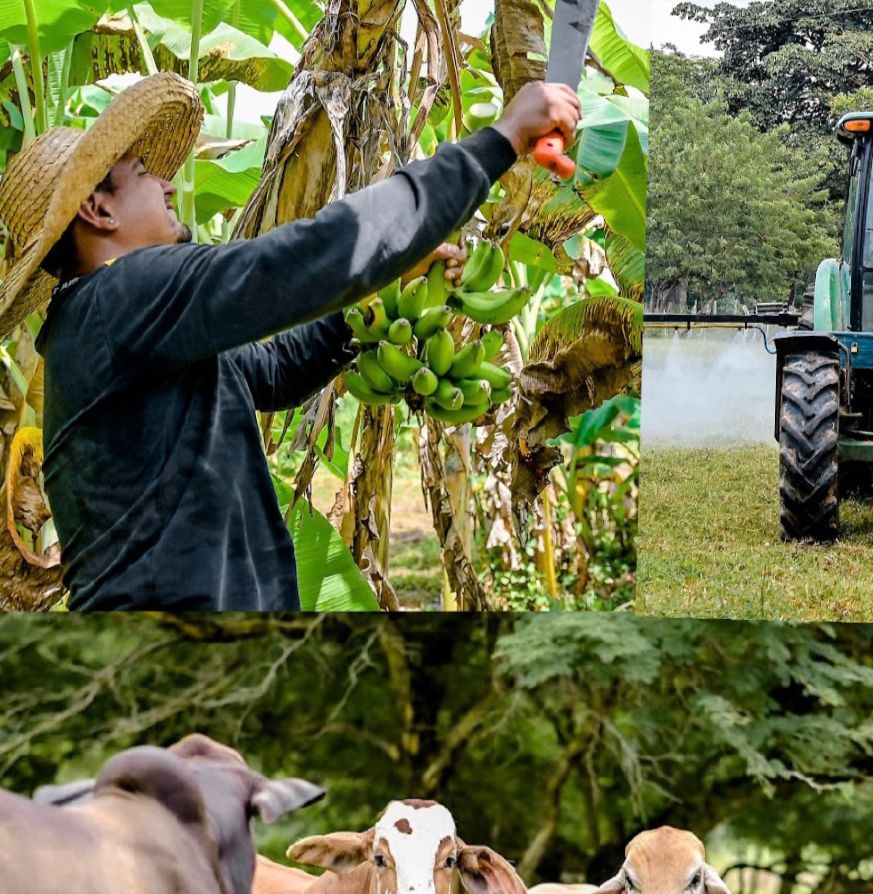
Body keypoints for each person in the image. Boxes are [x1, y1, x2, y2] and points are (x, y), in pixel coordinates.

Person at [0, 72, 579, 612]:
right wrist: (501, 140)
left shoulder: (111, 324)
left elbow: (268, 372)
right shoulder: (121, 298)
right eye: (145, 173)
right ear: (98, 208)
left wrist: (376, 298)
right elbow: (304, 259)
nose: (169, 184)